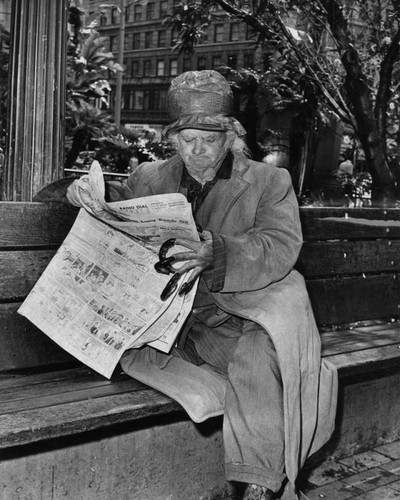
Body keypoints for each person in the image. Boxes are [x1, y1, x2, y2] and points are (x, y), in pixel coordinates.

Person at [67, 70, 338, 500]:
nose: (197, 150)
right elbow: (112, 201)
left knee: (264, 353)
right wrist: (78, 191)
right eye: (187, 138)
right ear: (172, 137)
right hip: (169, 331)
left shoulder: (269, 182)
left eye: (209, 139)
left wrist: (219, 253)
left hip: (231, 321)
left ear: (231, 136)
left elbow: (281, 244)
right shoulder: (149, 177)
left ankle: (257, 488)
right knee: (270, 371)